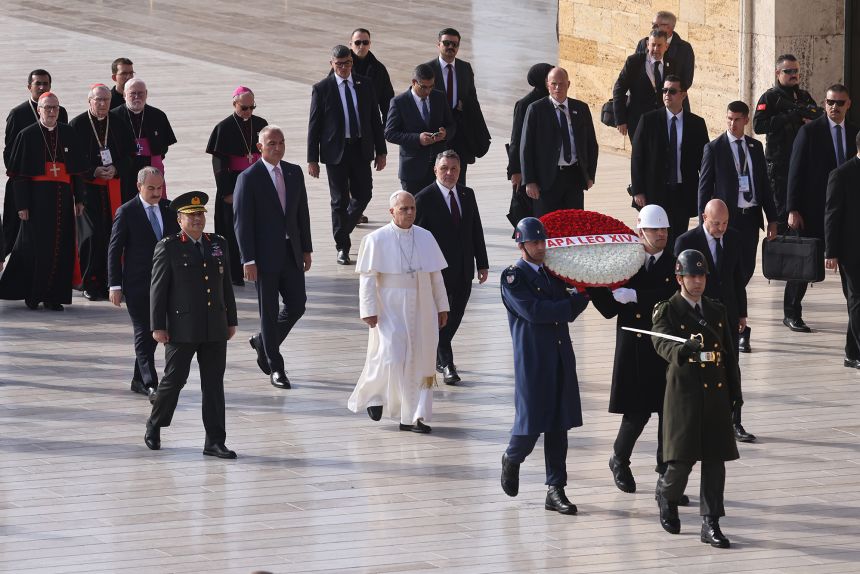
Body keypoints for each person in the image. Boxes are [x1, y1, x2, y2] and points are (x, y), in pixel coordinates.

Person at [587, 205, 680, 495]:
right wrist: (592, 282)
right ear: (641, 232)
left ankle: (666, 473)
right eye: (655, 230)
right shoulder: (627, 263)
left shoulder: (673, 263)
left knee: (669, 411)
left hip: (664, 345)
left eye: (664, 230)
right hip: (635, 344)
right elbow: (609, 309)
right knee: (637, 412)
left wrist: (636, 296)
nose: (661, 234)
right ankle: (619, 459)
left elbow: (672, 298)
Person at [651, 249, 741, 549]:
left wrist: (736, 394)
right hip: (685, 394)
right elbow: (660, 340)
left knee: (716, 460)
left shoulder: (716, 310)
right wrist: (680, 350)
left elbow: (728, 354)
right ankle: (667, 495)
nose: (698, 281)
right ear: (680, 278)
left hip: (715, 393)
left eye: (702, 275)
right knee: (682, 460)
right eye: (692, 276)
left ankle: (710, 521)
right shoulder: (669, 310)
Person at [499, 217, 589, 515]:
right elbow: (535, 311)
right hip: (533, 359)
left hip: (560, 353)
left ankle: (556, 488)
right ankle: (513, 457)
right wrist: (568, 307)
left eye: (542, 241)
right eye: (534, 242)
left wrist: (575, 301)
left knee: (559, 423)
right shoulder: (513, 277)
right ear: (521, 244)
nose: (540, 247)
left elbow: (577, 299)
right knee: (531, 423)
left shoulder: (555, 273)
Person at [144, 191, 238, 458]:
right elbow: (158, 290)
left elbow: (225, 285)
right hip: (182, 327)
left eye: (200, 214)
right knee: (174, 380)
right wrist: (158, 325)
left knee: (214, 384)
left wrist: (230, 319)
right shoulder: (169, 246)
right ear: (179, 219)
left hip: (214, 325)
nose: (197, 220)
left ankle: (215, 441)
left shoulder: (218, 243)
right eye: (191, 215)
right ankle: (155, 424)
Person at [347, 190, 449, 433]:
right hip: (390, 306)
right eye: (404, 209)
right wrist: (368, 309)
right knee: (391, 356)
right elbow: (368, 279)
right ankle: (375, 394)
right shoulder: (376, 239)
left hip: (424, 305)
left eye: (412, 208)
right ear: (392, 211)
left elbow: (436, 276)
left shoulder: (426, 237)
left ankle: (417, 416)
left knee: (424, 362)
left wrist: (442, 306)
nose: (410, 212)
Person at [233, 125, 313, 390]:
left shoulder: (293, 171)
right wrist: (248, 259)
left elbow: (302, 212)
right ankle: (276, 366)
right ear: (260, 148)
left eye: (281, 142)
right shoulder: (249, 177)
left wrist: (306, 249)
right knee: (267, 312)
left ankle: (263, 342)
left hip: (291, 254)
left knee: (298, 305)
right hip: (264, 259)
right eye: (271, 144)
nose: (277, 148)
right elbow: (242, 223)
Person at [698, 100, 778, 352]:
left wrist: (772, 218)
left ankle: (734, 320)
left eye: (737, 119)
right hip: (725, 221)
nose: (732, 124)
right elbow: (705, 186)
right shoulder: (715, 148)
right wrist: (705, 219)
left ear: (746, 120)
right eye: (729, 119)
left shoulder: (755, 147)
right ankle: (737, 326)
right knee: (729, 273)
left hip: (750, 218)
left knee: (743, 272)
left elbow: (764, 185)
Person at [675, 199, 755, 443]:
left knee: (732, 368)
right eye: (716, 223)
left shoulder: (734, 238)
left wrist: (742, 313)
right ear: (704, 217)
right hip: (698, 317)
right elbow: (679, 283)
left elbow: (737, 278)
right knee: (700, 368)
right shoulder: (686, 242)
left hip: (727, 315)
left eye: (725, 223)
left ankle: (735, 421)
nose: (721, 228)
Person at [0, 92, 85, 310]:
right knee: (36, 249)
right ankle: (33, 295)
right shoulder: (27, 135)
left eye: (55, 108)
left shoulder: (68, 133)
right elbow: (19, 175)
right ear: (39, 110)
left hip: (63, 201)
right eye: (47, 108)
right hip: (37, 203)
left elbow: (77, 171)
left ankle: (54, 296)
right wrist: (22, 206)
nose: (51, 112)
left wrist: (80, 199)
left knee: (62, 247)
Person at [785, 84, 858, 332]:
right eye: (829, 102)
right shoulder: (809, 132)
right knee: (804, 265)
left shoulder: (854, 133)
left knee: (851, 268)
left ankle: (855, 316)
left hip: (845, 215)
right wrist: (793, 208)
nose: (833, 107)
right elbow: (794, 172)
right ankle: (792, 312)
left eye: (839, 103)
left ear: (849, 104)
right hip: (812, 210)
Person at [308, 45, 387, 265]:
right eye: (339, 64)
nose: (343, 68)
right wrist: (312, 159)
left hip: (361, 149)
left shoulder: (364, 84)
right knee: (339, 201)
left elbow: (374, 119)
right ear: (331, 64)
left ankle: (343, 230)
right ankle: (342, 246)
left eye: (347, 63)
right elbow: (314, 126)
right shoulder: (322, 88)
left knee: (364, 194)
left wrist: (381, 151)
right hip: (336, 152)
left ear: (352, 63)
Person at [415, 150, 488, 384]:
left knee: (456, 314)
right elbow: (415, 237)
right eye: (444, 168)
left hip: (465, 268)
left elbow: (476, 229)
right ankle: (446, 362)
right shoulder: (424, 198)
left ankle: (440, 353)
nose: (449, 173)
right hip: (437, 271)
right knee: (440, 316)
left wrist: (482, 263)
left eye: (454, 169)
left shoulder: (468, 194)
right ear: (435, 170)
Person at [108, 167, 180, 399]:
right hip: (138, 284)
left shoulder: (170, 209)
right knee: (143, 331)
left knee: (156, 332)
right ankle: (151, 383)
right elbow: (114, 250)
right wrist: (115, 285)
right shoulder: (127, 211)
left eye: (159, 188)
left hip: (166, 284)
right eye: (151, 188)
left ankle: (138, 379)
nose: (156, 193)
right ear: (139, 187)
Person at [69, 83, 136, 301]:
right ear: (90, 101)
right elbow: (72, 161)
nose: (102, 104)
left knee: (113, 236)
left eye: (106, 100)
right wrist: (94, 170)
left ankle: (111, 281)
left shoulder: (119, 123)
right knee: (91, 237)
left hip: (115, 189)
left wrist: (116, 168)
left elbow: (130, 156)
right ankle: (90, 282)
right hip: (88, 192)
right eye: (98, 100)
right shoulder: (77, 125)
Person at [631, 75, 709, 244]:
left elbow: (704, 161)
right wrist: (638, 190)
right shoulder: (648, 120)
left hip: (683, 191)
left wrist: (707, 190)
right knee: (656, 236)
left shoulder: (696, 124)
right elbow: (637, 156)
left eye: (672, 91)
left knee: (679, 236)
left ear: (683, 94)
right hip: (655, 190)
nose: (667, 94)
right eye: (664, 90)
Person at [206, 86, 268, 286]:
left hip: (256, 183)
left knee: (258, 226)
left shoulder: (261, 124)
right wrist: (226, 192)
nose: (248, 112)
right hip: (232, 184)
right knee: (231, 231)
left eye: (252, 107)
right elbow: (218, 164)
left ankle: (260, 267)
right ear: (234, 104)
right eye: (244, 108)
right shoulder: (223, 128)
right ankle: (234, 273)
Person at [3, 69, 69, 251]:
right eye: (37, 84)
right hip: (25, 181)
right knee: (15, 230)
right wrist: (21, 177)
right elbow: (9, 152)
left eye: (45, 84)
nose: (41, 87)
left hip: (52, 183)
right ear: (29, 87)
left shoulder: (60, 111)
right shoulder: (18, 114)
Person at [520, 67, 598, 215]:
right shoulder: (536, 110)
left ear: (568, 84)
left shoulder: (581, 108)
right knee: (549, 227)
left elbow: (591, 144)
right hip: (547, 179)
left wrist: (590, 175)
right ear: (547, 85)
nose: (557, 87)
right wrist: (529, 181)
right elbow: (526, 148)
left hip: (574, 177)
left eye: (561, 84)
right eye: (554, 83)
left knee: (574, 224)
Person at [753, 54, 817, 221]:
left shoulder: (803, 96)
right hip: (780, 166)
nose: (793, 74)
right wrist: (787, 117)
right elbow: (758, 125)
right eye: (788, 71)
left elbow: (817, 118)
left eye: (796, 71)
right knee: (781, 215)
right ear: (778, 73)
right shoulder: (770, 97)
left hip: (803, 162)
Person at [424, 27, 491, 185]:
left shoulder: (465, 68)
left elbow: (472, 97)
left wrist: (465, 107)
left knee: (459, 177)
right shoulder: (428, 69)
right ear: (438, 44)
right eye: (446, 43)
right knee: (436, 176)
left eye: (454, 44)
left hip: (460, 131)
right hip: (437, 131)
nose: (450, 47)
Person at [345, 27, 395, 225]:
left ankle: (353, 210)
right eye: (357, 42)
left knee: (362, 178)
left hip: (366, 133)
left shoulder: (378, 69)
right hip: (344, 133)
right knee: (345, 177)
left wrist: (384, 130)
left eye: (365, 42)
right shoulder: (341, 64)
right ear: (351, 44)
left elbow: (388, 102)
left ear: (370, 44)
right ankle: (351, 212)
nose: (361, 46)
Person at [384, 64, 455, 193]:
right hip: (412, 170)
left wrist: (445, 134)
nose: (428, 91)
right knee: (414, 210)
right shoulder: (399, 102)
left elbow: (451, 125)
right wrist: (417, 139)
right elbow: (390, 133)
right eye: (424, 87)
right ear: (414, 82)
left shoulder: (439, 97)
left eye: (431, 87)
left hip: (438, 167)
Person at [824, 132, 860, 369]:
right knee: (857, 300)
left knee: (855, 302)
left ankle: (851, 352)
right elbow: (832, 215)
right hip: (851, 250)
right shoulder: (842, 174)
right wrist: (831, 252)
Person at [112, 78, 177, 200]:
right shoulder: (114, 116)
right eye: (132, 93)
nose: (137, 96)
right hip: (124, 171)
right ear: (125, 95)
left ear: (146, 94)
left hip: (150, 169)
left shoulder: (158, 115)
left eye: (141, 93)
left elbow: (164, 147)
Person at [613, 29, 672, 142]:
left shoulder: (672, 64)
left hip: (663, 122)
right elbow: (618, 89)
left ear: (666, 46)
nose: (656, 49)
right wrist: (620, 120)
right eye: (653, 45)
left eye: (659, 45)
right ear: (647, 45)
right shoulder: (634, 62)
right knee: (639, 157)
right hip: (637, 121)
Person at [507, 63, 553, 191]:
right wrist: (515, 170)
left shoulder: (554, 100)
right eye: (547, 78)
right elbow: (516, 139)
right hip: (530, 164)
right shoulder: (525, 104)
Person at [635, 11, 695, 108]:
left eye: (656, 25)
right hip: (645, 106)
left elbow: (687, 80)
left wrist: (667, 95)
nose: (652, 28)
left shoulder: (684, 48)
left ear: (668, 27)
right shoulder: (643, 43)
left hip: (673, 105)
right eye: (652, 25)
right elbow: (635, 73)